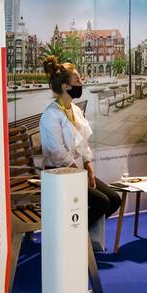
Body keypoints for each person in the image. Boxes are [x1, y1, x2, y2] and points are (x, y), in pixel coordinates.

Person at [40, 56, 121, 226]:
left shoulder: (75, 110)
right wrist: (79, 175)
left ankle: (82, 232)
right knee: (102, 202)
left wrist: (89, 167)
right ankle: (73, 232)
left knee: (114, 199)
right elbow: (57, 153)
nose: (82, 83)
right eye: (77, 80)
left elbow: (83, 143)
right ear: (66, 86)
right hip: (57, 174)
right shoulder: (51, 115)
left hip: (75, 171)